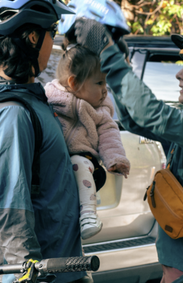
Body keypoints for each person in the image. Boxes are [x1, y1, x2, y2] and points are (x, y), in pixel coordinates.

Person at [68, 18, 183, 282]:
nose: (180, 74)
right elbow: (138, 120)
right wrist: (116, 65)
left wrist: (108, 54)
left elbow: (152, 114)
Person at [0, 0, 87, 282]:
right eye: (51, 31)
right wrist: (27, 275)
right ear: (32, 36)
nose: (54, 42)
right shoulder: (10, 114)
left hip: (62, 269)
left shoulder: (28, 101)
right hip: (36, 274)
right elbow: (9, 210)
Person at [44, 40, 130, 240]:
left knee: (79, 164)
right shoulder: (49, 98)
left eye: (105, 83)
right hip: (53, 162)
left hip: (82, 158)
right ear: (74, 83)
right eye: (99, 83)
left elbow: (110, 134)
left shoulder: (99, 111)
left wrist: (115, 158)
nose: (105, 90)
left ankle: (89, 215)